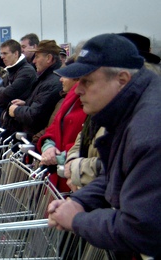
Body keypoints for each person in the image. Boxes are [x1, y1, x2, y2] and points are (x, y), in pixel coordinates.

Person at [47, 33, 161, 259]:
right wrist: (79, 201)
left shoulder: (148, 130)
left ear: (122, 79)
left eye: (87, 81)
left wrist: (77, 220)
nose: (77, 90)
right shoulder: (130, 108)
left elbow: (141, 229)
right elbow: (117, 174)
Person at [37, 71, 86, 192]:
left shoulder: (92, 101)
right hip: (60, 176)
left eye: (65, 75)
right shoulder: (72, 95)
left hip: (75, 182)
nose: (60, 79)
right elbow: (54, 126)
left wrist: (61, 157)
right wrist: (48, 146)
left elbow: (90, 146)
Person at [5, 40, 63, 138]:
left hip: (37, 139)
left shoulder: (51, 83)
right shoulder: (45, 79)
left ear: (49, 58)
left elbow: (35, 116)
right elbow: (40, 105)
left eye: (37, 56)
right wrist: (26, 103)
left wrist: (16, 111)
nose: (34, 61)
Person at [0, 39, 36, 125]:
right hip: (10, 121)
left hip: (20, 124)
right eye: (1, 53)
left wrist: (1, 92)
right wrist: (1, 93)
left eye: (5, 53)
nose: (2, 57)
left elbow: (8, 94)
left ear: (16, 54)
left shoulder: (26, 71)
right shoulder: (11, 70)